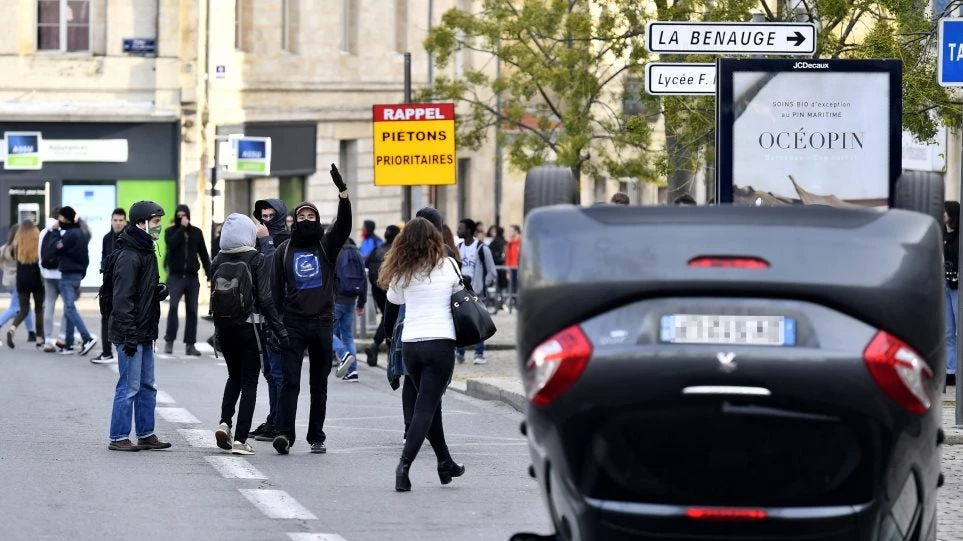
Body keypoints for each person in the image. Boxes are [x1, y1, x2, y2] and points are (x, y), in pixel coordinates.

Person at [379, 217, 466, 491]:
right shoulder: (448, 265)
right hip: (440, 343)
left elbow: (393, 305)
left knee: (431, 406)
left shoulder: (402, 271)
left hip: (412, 345)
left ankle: (445, 463)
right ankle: (403, 467)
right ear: (435, 239)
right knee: (426, 407)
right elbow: (461, 295)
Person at [270, 164, 351, 455]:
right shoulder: (283, 251)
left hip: (321, 323)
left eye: (311, 215)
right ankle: (284, 434)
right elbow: (275, 292)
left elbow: (343, 227)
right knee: (289, 382)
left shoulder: (325, 245)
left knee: (319, 384)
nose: (306, 219)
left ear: (317, 219)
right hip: (292, 324)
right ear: (294, 221)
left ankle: (316, 435)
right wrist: (275, 326)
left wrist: (343, 195)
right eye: (301, 216)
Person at [211, 213, 288, 455]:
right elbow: (265, 298)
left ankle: (225, 423)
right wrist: (280, 330)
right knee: (249, 383)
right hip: (251, 327)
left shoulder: (218, 259)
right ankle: (241, 440)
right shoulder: (256, 258)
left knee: (233, 377)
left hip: (225, 328)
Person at [107, 201, 172, 452]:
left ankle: (146, 433)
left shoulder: (146, 250)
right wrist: (129, 335)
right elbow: (122, 300)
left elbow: (140, 291)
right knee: (129, 386)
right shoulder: (129, 255)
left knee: (147, 385)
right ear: (141, 223)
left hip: (144, 330)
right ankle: (119, 436)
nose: (159, 227)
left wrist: (157, 292)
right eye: (155, 222)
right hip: (130, 332)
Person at [247, 199, 290, 443]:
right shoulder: (257, 239)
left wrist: (266, 240)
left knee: (278, 373)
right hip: (259, 312)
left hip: (278, 314)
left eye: (271, 215)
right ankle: (273, 418)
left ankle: (279, 422)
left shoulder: (284, 239)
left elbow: (274, 268)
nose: (266, 220)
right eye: (263, 215)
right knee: (269, 372)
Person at [163, 205, 211, 356]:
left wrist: (210, 275)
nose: (182, 218)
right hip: (176, 276)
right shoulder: (170, 232)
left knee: (192, 310)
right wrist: (181, 229)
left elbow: (203, 254)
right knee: (173, 307)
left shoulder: (196, 232)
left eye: (184, 215)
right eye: (179, 215)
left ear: (189, 216)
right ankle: (169, 341)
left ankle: (190, 345)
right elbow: (171, 245)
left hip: (191, 277)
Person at [56, 206, 97, 356]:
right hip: (77, 275)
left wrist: (55, 233)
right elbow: (85, 257)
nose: (58, 221)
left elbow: (57, 249)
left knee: (69, 308)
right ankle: (69, 344)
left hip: (67, 275)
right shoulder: (80, 233)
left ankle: (87, 338)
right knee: (68, 309)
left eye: (60, 218)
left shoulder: (69, 234)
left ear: (65, 218)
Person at [455, 218, 496, 364]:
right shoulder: (458, 248)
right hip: (460, 290)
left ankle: (479, 353)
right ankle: (460, 352)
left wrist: (482, 286)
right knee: (461, 321)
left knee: (479, 322)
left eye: (460, 228)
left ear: (469, 230)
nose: (458, 231)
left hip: (476, 291)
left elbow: (492, 271)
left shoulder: (482, 248)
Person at [92, 208, 127, 363]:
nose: (118, 223)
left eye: (120, 220)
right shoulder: (107, 238)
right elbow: (103, 257)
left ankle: (126, 352)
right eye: (115, 220)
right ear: (111, 221)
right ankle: (106, 352)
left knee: (124, 319)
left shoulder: (129, 238)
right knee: (105, 317)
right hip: (109, 285)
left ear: (125, 221)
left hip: (126, 286)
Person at [363, 225, 399, 367]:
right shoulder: (397, 251)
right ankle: (384, 347)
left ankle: (377, 345)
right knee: (391, 317)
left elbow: (367, 264)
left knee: (387, 316)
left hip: (377, 288)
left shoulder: (377, 250)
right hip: (393, 289)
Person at [5, 220, 44, 349]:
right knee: (39, 309)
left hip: (21, 279)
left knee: (24, 309)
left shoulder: (17, 244)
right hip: (36, 279)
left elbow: (11, 255)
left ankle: (12, 329)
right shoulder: (38, 242)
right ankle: (39, 339)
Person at [0, 224, 37, 344]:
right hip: (19, 281)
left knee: (25, 307)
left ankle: (31, 333)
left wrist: (6, 272)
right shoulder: (19, 248)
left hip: (8, 281)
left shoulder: (4, 248)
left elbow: (1, 264)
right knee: (15, 307)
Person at [38, 214, 64, 353]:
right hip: (63, 274)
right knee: (68, 306)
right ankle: (62, 336)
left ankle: (47, 340)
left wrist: (43, 272)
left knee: (49, 305)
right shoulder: (64, 229)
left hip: (48, 274)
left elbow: (40, 254)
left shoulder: (44, 232)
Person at [945, 201, 960, 387]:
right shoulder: (942, 232)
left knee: (959, 330)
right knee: (948, 331)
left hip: (958, 285)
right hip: (945, 285)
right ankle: (951, 371)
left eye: (944, 211)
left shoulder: (959, 235)